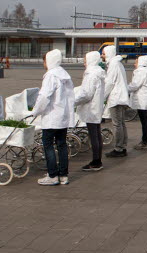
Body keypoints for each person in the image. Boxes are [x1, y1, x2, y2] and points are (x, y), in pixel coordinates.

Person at [28, 49, 75, 186]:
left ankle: (52, 175)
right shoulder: (64, 75)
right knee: (61, 145)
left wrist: (35, 111)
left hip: (51, 116)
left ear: (49, 61)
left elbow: (44, 96)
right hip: (63, 117)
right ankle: (63, 175)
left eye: (44, 61)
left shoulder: (51, 76)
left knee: (48, 145)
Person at [74, 51, 106, 172]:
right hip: (96, 107)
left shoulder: (91, 74)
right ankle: (97, 160)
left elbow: (86, 94)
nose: (84, 64)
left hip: (91, 108)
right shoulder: (98, 72)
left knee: (94, 135)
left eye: (85, 61)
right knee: (96, 134)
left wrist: (73, 101)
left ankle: (96, 161)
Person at [102, 45, 130, 158]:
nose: (102, 55)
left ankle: (119, 148)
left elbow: (109, 83)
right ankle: (122, 146)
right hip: (121, 97)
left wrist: (102, 97)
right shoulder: (118, 64)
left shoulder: (113, 64)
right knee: (121, 123)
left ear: (108, 54)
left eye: (103, 53)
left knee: (117, 124)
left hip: (116, 98)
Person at [128, 55, 147, 150]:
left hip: (142, 99)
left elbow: (135, 85)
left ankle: (145, 141)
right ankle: (145, 140)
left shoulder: (141, 72)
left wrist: (125, 88)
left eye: (136, 62)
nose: (135, 64)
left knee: (144, 121)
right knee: (145, 121)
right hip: (145, 98)